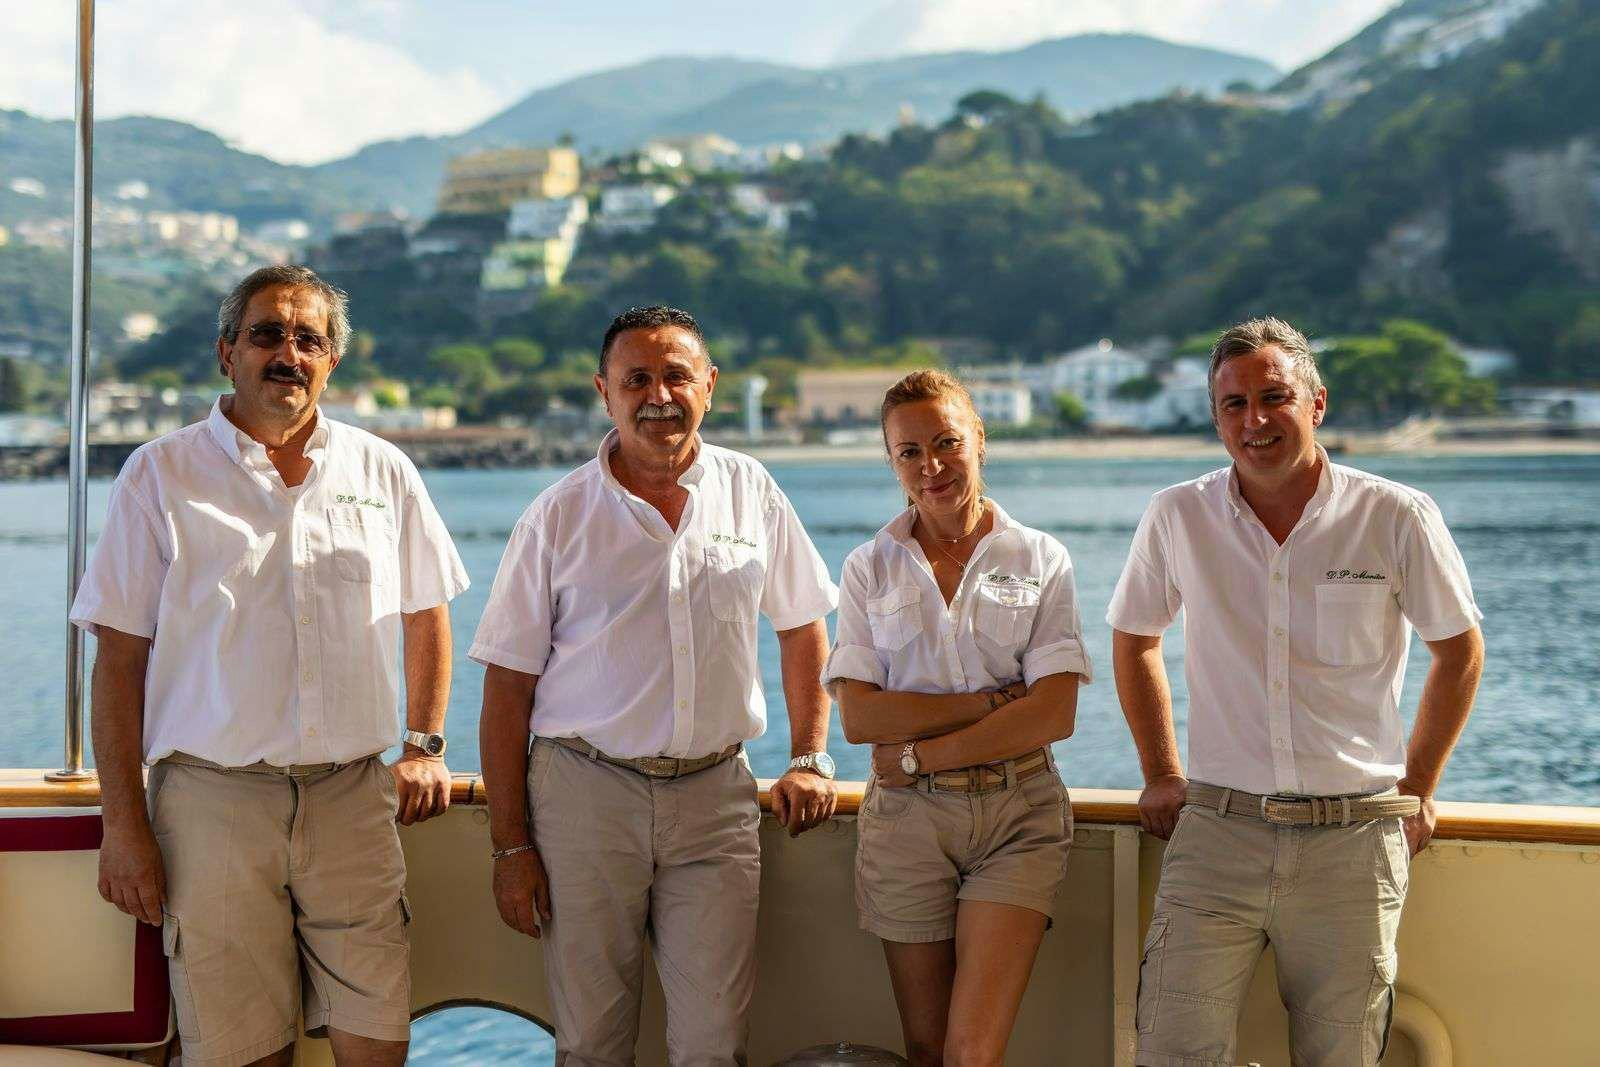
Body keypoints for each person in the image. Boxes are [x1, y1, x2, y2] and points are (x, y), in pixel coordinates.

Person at [69, 265, 470, 1067]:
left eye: (308, 339)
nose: (288, 352)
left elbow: (429, 613)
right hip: (212, 803)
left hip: (353, 798)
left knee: (379, 1044)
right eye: (267, 334)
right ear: (227, 352)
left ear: (332, 362)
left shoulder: (382, 470)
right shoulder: (159, 474)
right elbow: (117, 662)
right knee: (239, 1055)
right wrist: (124, 823)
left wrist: (424, 744)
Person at [1108, 317, 1485, 1066]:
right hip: (1216, 831)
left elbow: (1460, 651)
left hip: (1356, 839)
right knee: (1172, 1052)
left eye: (1273, 397)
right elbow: (1133, 638)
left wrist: (1419, 785)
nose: (1254, 421)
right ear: (1215, 417)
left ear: (1316, 403)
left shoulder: (1396, 515)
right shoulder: (1177, 514)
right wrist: (1159, 771)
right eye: (1233, 404)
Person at [473, 305, 840, 1065]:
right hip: (584, 796)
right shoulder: (556, 516)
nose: (658, 395)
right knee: (591, 1042)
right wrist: (511, 846)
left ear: (709, 384)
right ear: (603, 391)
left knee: (716, 1042)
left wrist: (809, 756)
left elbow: (804, 625)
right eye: (636, 378)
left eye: (676, 375)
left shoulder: (751, 489)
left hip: (715, 798)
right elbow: (506, 691)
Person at [823, 370, 1089, 1067]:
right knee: (926, 1046)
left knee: (971, 1052)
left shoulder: (1041, 557)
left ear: (980, 440)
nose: (931, 466)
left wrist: (919, 755)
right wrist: (989, 702)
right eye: (910, 451)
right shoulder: (866, 568)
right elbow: (859, 717)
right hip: (908, 826)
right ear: (891, 461)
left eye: (947, 443)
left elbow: (1054, 711)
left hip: (1017, 815)